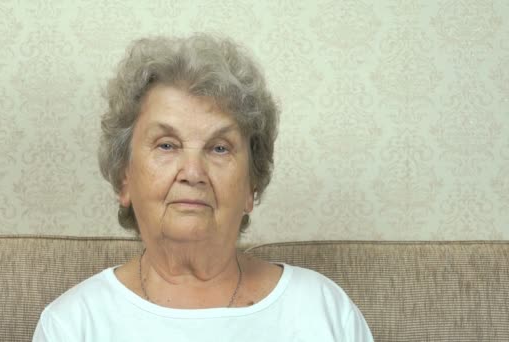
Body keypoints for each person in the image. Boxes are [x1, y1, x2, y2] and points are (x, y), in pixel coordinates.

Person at [33, 34, 373, 341]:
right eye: (166, 145)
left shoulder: (324, 310)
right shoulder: (71, 325)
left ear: (250, 185)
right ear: (125, 179)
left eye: (219, 148)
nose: (193, 173)